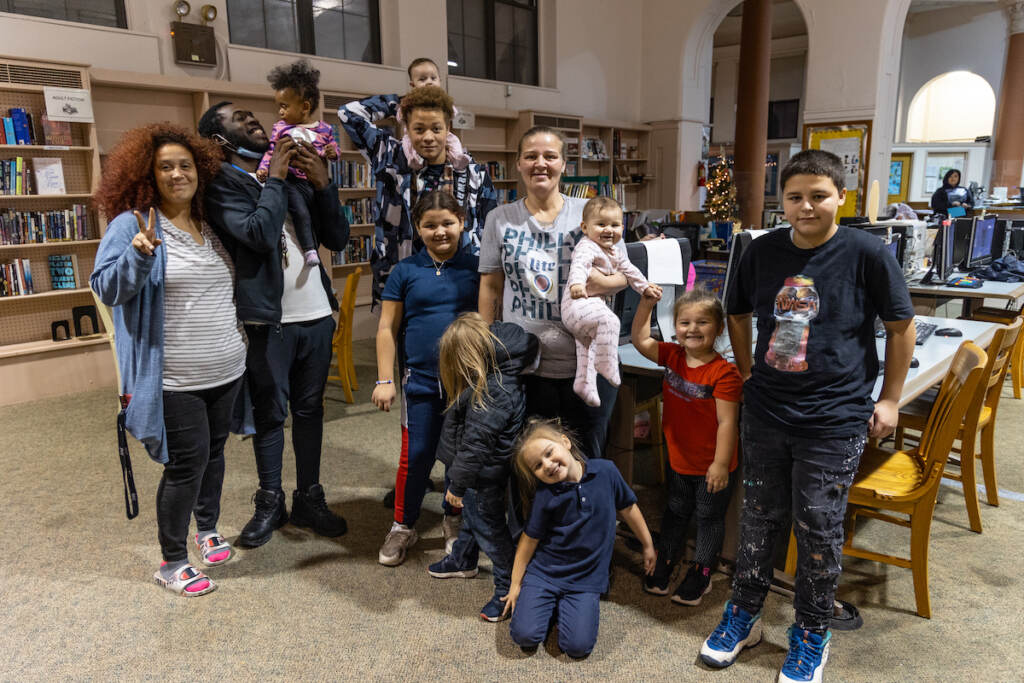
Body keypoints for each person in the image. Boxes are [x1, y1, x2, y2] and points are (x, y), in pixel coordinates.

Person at [698, 150, 915, 683]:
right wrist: (748, 372)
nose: (806, 206)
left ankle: (812, 633)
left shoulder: (868, 253)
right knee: (758, 518)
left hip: (835, 416)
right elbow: (739, 311)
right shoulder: (762, 250)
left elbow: (900, 325)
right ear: (782, 202)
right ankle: (744, 615)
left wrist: (889, 399)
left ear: (841, 196)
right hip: (768, 409)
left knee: (817, 527)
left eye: (818, 195)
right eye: (794, 197)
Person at [91, 123, 247, 596]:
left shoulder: (210, 223)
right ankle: (172, 560)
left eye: (185, 165)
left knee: (215, 453)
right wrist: (138, 256)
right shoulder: (133, 223)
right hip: (174, 376)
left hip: (226, 367)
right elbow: (105, 287)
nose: (178, 174)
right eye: (166, 167)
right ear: (149, 174)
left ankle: (207, 529)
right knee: (186, 464)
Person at [197, 101, 351, 548]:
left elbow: (337, 238)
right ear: (219, 141)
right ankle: (270, 501)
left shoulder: (293, 175)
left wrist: (323, 185)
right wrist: (277, 178)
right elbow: (260, 234)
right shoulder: (221, 185)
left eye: (251, 113)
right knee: (270, 415)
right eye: (235, 118)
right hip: (268, 320)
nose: (251, 118)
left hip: (317, 314)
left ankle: (310, 498)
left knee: (310, 411)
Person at [478, 126, 627, 460]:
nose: (540, 164)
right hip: (526, 364)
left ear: (564, 164)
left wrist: (604, 284)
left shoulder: (591, 212)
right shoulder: (499, 219)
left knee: (587, 455)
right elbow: (490, 286)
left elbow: (624, 273)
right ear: (518, 163)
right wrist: (488, 350)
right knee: (534, 457)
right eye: (531, 156)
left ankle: (587, 513)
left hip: (588, 360)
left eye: (550, 156)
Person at [371, 191, 480, 566]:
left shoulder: (476, 268)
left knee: (457, 458)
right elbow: (387, 327)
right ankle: (403, 525)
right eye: (430, 225)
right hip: (418, 381)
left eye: (448, 223)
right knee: (415, 457)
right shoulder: (405, 271)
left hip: (465, 382)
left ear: (462, 221)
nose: (440, 232)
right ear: (417, 228)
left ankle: (454, 519)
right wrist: (385, 379)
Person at [502, 419, 656, 658]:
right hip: (546, 572)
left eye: (549, 453)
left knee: (577, 647)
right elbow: (528, 541)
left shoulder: (606, 471)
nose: (548, 465)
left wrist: (647, 545)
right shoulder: (545, 494)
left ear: (565, 442)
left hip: (586, 579)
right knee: (524, 635)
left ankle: (556, 607)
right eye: (538, 466)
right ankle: (547, 604)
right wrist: (515, 585)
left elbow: (629, 509)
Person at [631, 286, 741, 605]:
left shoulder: (725, 373)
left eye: (702, 322)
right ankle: (667, 559)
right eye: (684, 322)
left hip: (712, 466)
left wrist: (720, 464)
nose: (692, 329)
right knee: (676, 511)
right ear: (675, 327)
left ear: (718, 328)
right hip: (679, 459)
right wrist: (646, 304)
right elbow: (641, 340)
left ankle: (702, 570)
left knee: (708, 518)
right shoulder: (672, 355)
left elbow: (727, 422)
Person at [338, 84, 496, 303]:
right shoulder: (390, 157)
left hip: (461, 283)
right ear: (407, 129)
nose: (428, 137)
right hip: (399, 280)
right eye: (419, 129)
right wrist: (401, 103)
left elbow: (492, 229)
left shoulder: (471, 172)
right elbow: (348, 113)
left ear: (448, 127)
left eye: (436, 128)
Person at [430, 313, 539, 622]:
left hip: (482, 476)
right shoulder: (497, 371)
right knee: (473, 521)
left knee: (490, 530)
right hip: (479, 473)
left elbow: (475, 446)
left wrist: (457, 484)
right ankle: (463, 559)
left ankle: (507, 588)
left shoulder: (492, 394)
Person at [562, 195, 662, 406]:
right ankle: (607, 365)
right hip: (576, 304)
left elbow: (631, 271)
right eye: (601, 224)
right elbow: (579, 266)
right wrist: (577, 285)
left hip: (592, 306)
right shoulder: (587, 246)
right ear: (585, 227)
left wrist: (644, 286)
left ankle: (584, 384)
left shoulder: (616, 252)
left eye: (615, 225)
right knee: (611, 322)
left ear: (623, 228)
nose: (609, 230)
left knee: (586, 347)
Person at [255, 59, 340, 268]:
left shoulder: (324, 129)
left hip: (313, 183)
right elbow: (272, 151)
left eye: (284, 106)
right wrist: (264, 168)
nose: (280, 112)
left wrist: (332, 154)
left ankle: (313, 246)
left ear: (305, 107)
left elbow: (333, 149)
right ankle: (310, 249)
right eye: (279, 107)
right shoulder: (280, 129)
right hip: (291, 180)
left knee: (315, 216)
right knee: (300, 212)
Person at [397, 58, 471, 175]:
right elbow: (400, 117)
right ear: (412, 84)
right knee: (406, 142)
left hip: (449, 160)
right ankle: (413, 159)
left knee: (453, 140)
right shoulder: (407, 105)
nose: (429, 82)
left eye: (433, 78)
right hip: (410, 142)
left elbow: (453, 113)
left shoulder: (445, 104)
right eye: (422, 79)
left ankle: (457, 157)